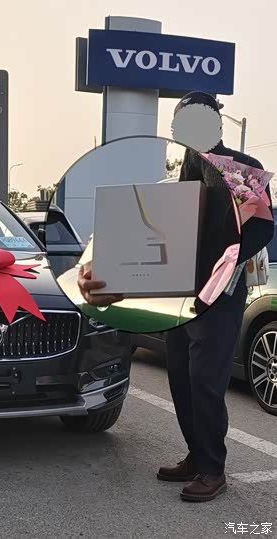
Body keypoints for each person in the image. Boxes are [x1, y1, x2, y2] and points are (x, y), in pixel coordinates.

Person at [78, 91, 273, 502]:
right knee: (181, 376)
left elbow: (261, 228)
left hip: (218, 294)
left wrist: (225, 257)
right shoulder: (185, 169)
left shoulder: (241, 167)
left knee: (205, 381)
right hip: (179, 295)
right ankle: (195, 454)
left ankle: (213, 469)